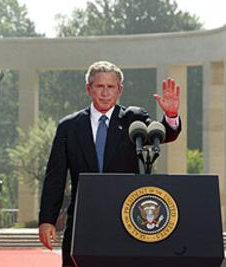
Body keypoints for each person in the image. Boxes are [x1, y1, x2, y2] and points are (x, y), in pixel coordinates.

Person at [38, 60, 181, 267]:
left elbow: (161, 134)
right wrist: (47, 220)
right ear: (89, 88)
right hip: (83, 221)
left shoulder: (134, 120)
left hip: (127, 220)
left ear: (119, 90)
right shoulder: (69, 127)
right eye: (100, 86)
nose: (105, 93)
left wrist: (171, 115)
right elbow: (55, 177)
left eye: (111, 87)